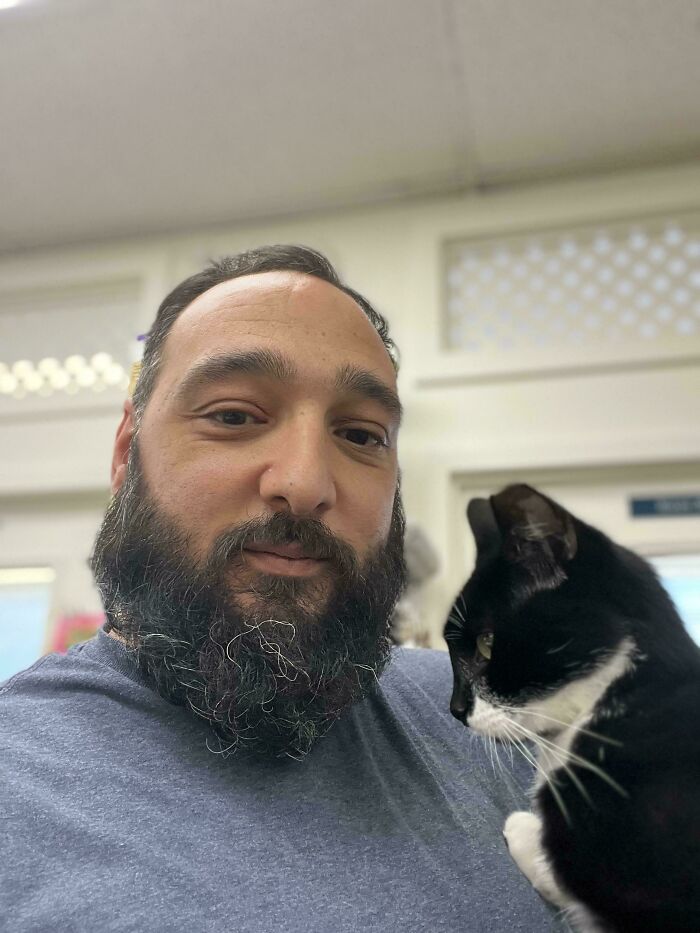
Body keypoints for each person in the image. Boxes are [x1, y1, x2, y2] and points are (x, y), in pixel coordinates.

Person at [0, 246, 565, 931]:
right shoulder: (19, 782)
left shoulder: (495, 722)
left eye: (360, 434)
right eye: (234, 416)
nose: (305, 482)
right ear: (126, 455)